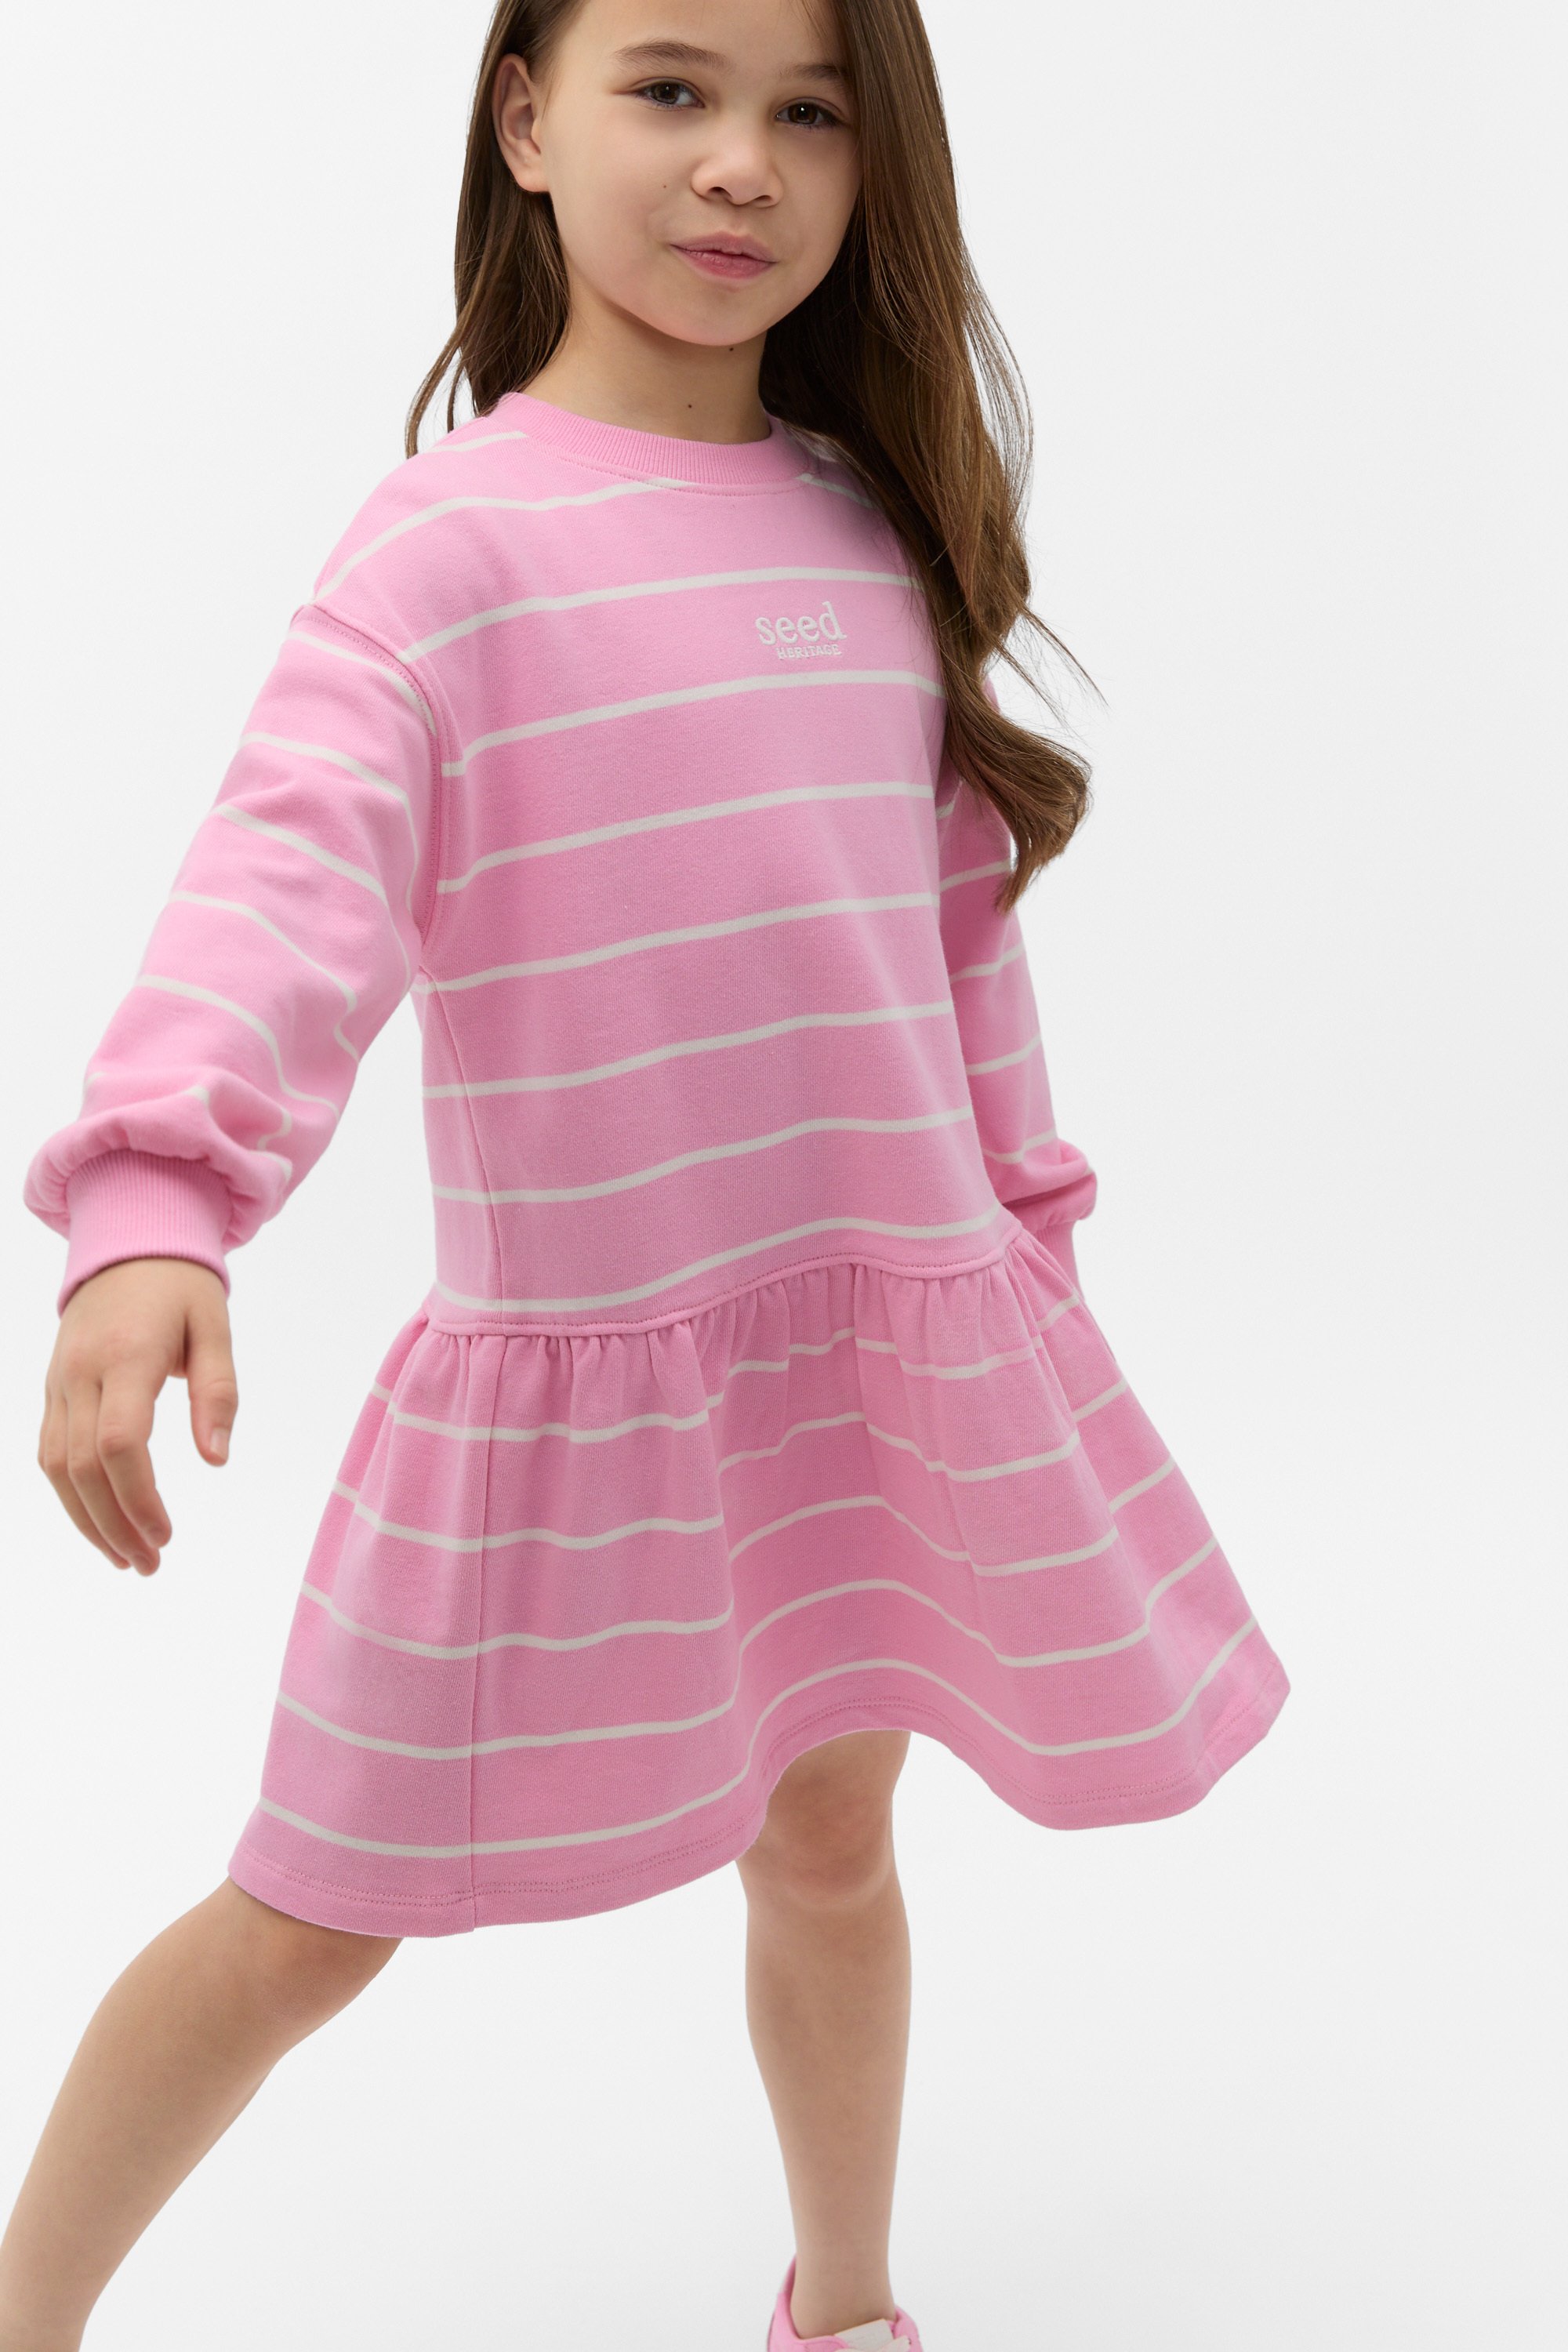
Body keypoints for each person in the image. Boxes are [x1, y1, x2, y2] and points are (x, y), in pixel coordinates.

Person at [3, 3, 1290, 2347]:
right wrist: (157, 1210)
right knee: (310, 1917)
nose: (741, 165)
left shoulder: (872, 541)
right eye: (671, 89)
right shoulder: (446, 555)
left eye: (811, 113)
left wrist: (1029, 1254)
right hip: (574, 1396)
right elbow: (284, 881)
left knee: (836, 1836)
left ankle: (846, 2304)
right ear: (527, 116)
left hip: (871, 1353)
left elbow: (954, 948)